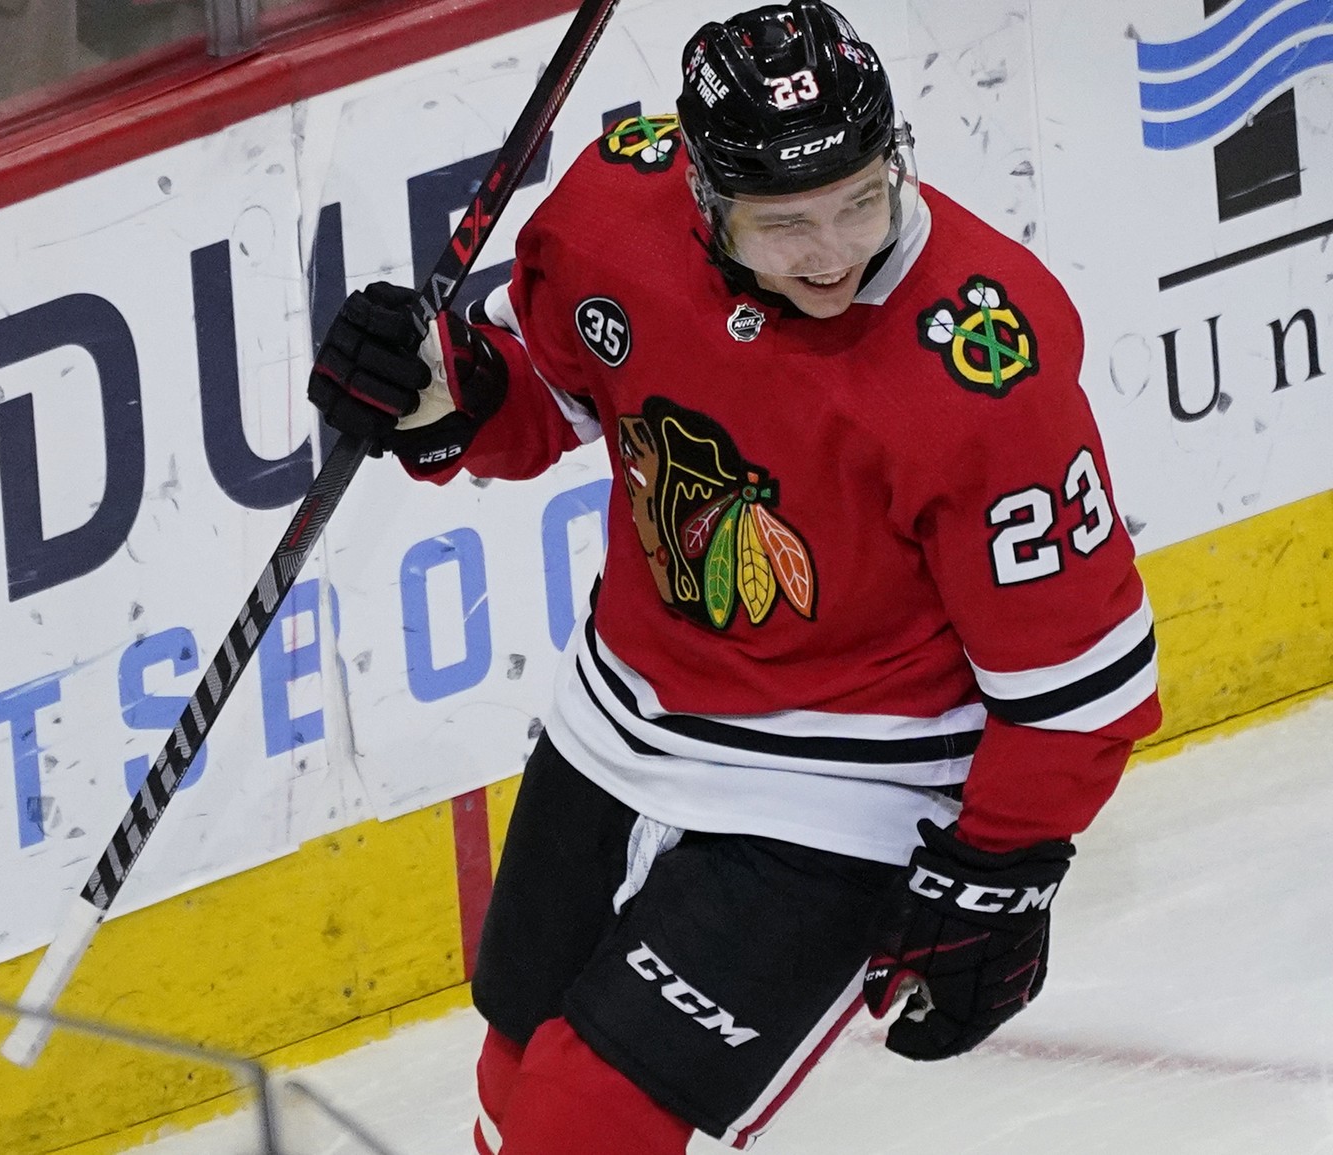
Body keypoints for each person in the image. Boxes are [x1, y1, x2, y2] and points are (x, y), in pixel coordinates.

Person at [306, 3, 1162, 1152]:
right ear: (704, 197)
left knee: (583, 1119)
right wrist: (436, 387)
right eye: (783, 224)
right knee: (516, 1064)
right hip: (621, 715)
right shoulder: (617, 207)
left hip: (850, 778)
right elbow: (548, 388)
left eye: (863, 196)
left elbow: (1080, 676)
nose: (833, 251)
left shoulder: (984, 361)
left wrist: (1003, 863)